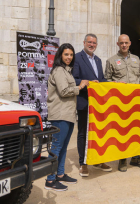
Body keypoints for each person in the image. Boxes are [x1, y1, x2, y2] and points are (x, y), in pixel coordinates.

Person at [45, 43, 89, 191]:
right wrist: (80, 86)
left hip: (68, 114)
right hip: (60, 114)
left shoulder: (66, 71)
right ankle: (50, 180)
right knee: (57, 146)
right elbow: (64, 91)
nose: (69, 57)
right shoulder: (58, 71)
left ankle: (61, 174)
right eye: (66, 54)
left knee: (63, 147)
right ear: (60, 55)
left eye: (71, 55)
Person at [105, 34, 140, 172]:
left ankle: (136, 157)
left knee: (137, 130)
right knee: (122, 131)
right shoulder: (111, 61)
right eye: (121, 43)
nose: (124, 45)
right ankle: (122, 159)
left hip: (136, 102)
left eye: (126, 43)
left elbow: (139, 75)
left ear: (130, 43)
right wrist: (115, 83)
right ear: (118, 44)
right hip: (121, 103)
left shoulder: (136, 59)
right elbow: (106, 80)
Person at [72, 34, 112, 177]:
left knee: (99, 132)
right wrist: (86, 82)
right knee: (83, 133)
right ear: (84, 42)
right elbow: (74, 79)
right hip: (84, 102)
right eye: (89, 42)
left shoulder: (98, 60)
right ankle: (83, 163)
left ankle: (98, 160)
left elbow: (101, 80)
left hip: (98, 104)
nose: (91, 44)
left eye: (94, 43)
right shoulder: (77, 58)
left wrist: (116, 84)